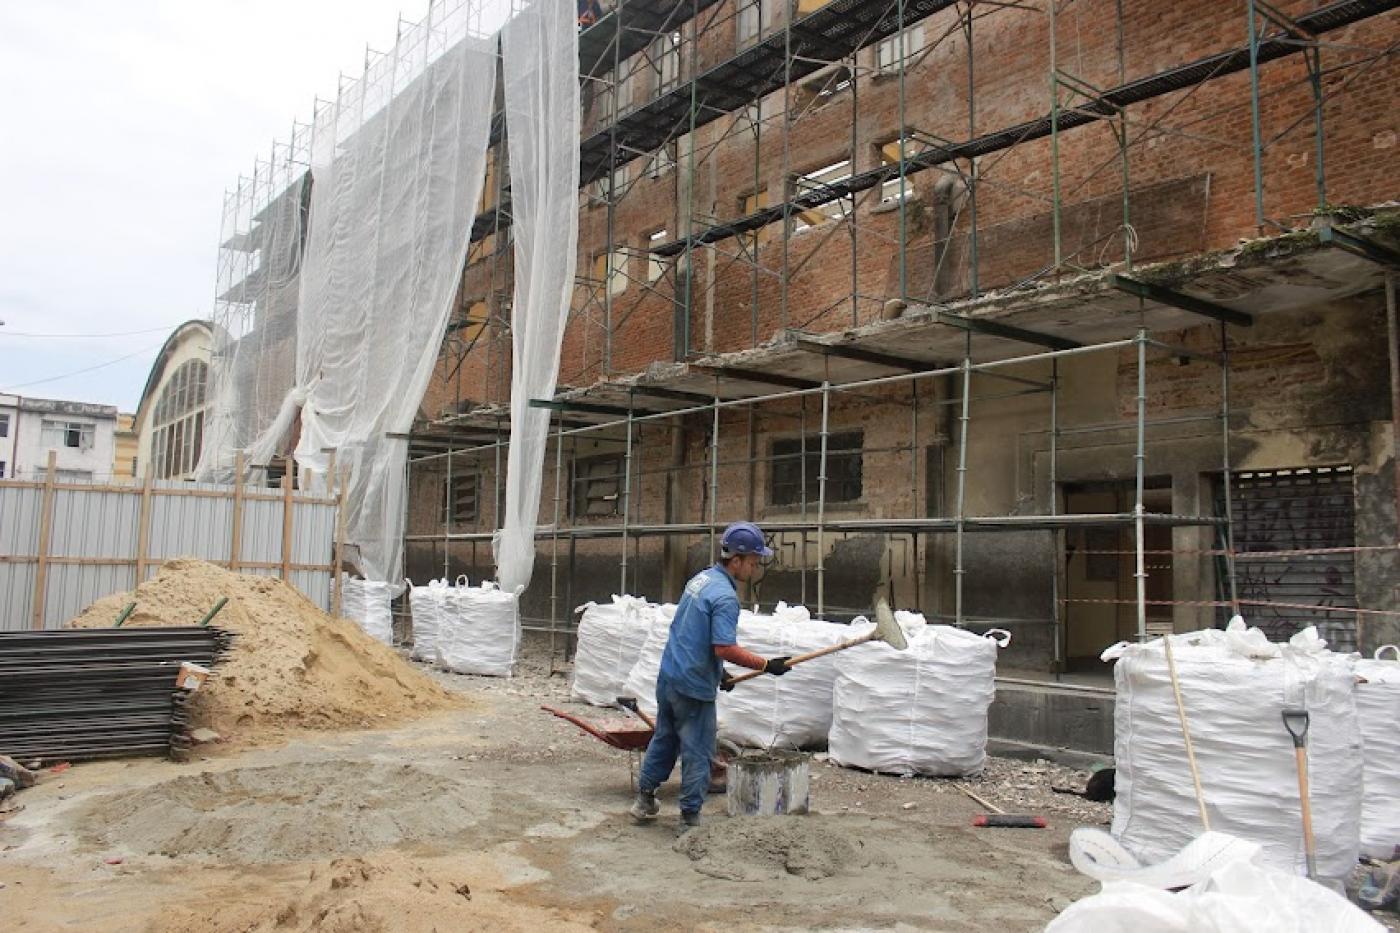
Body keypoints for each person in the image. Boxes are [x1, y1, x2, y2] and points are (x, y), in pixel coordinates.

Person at [629, 521, 791, 829]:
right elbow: (724, 647)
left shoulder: (700, 580)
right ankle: (690, 821)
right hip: (692, 688)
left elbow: (691, 634)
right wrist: (766, 665)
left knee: (664, 739)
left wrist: (721, 674)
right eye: (753, 562)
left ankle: (644, 801)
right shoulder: (726, 598)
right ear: (737, 560)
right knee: (698, 753)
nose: (754, 569)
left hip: (670, 677)